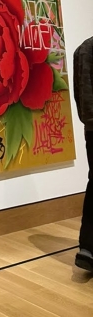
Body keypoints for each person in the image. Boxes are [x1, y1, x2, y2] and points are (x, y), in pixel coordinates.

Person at [72, 37, 93, 272]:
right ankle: (88, 247)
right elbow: (85, 103)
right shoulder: (87, 50)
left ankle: (88, 247)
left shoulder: (84, 49)